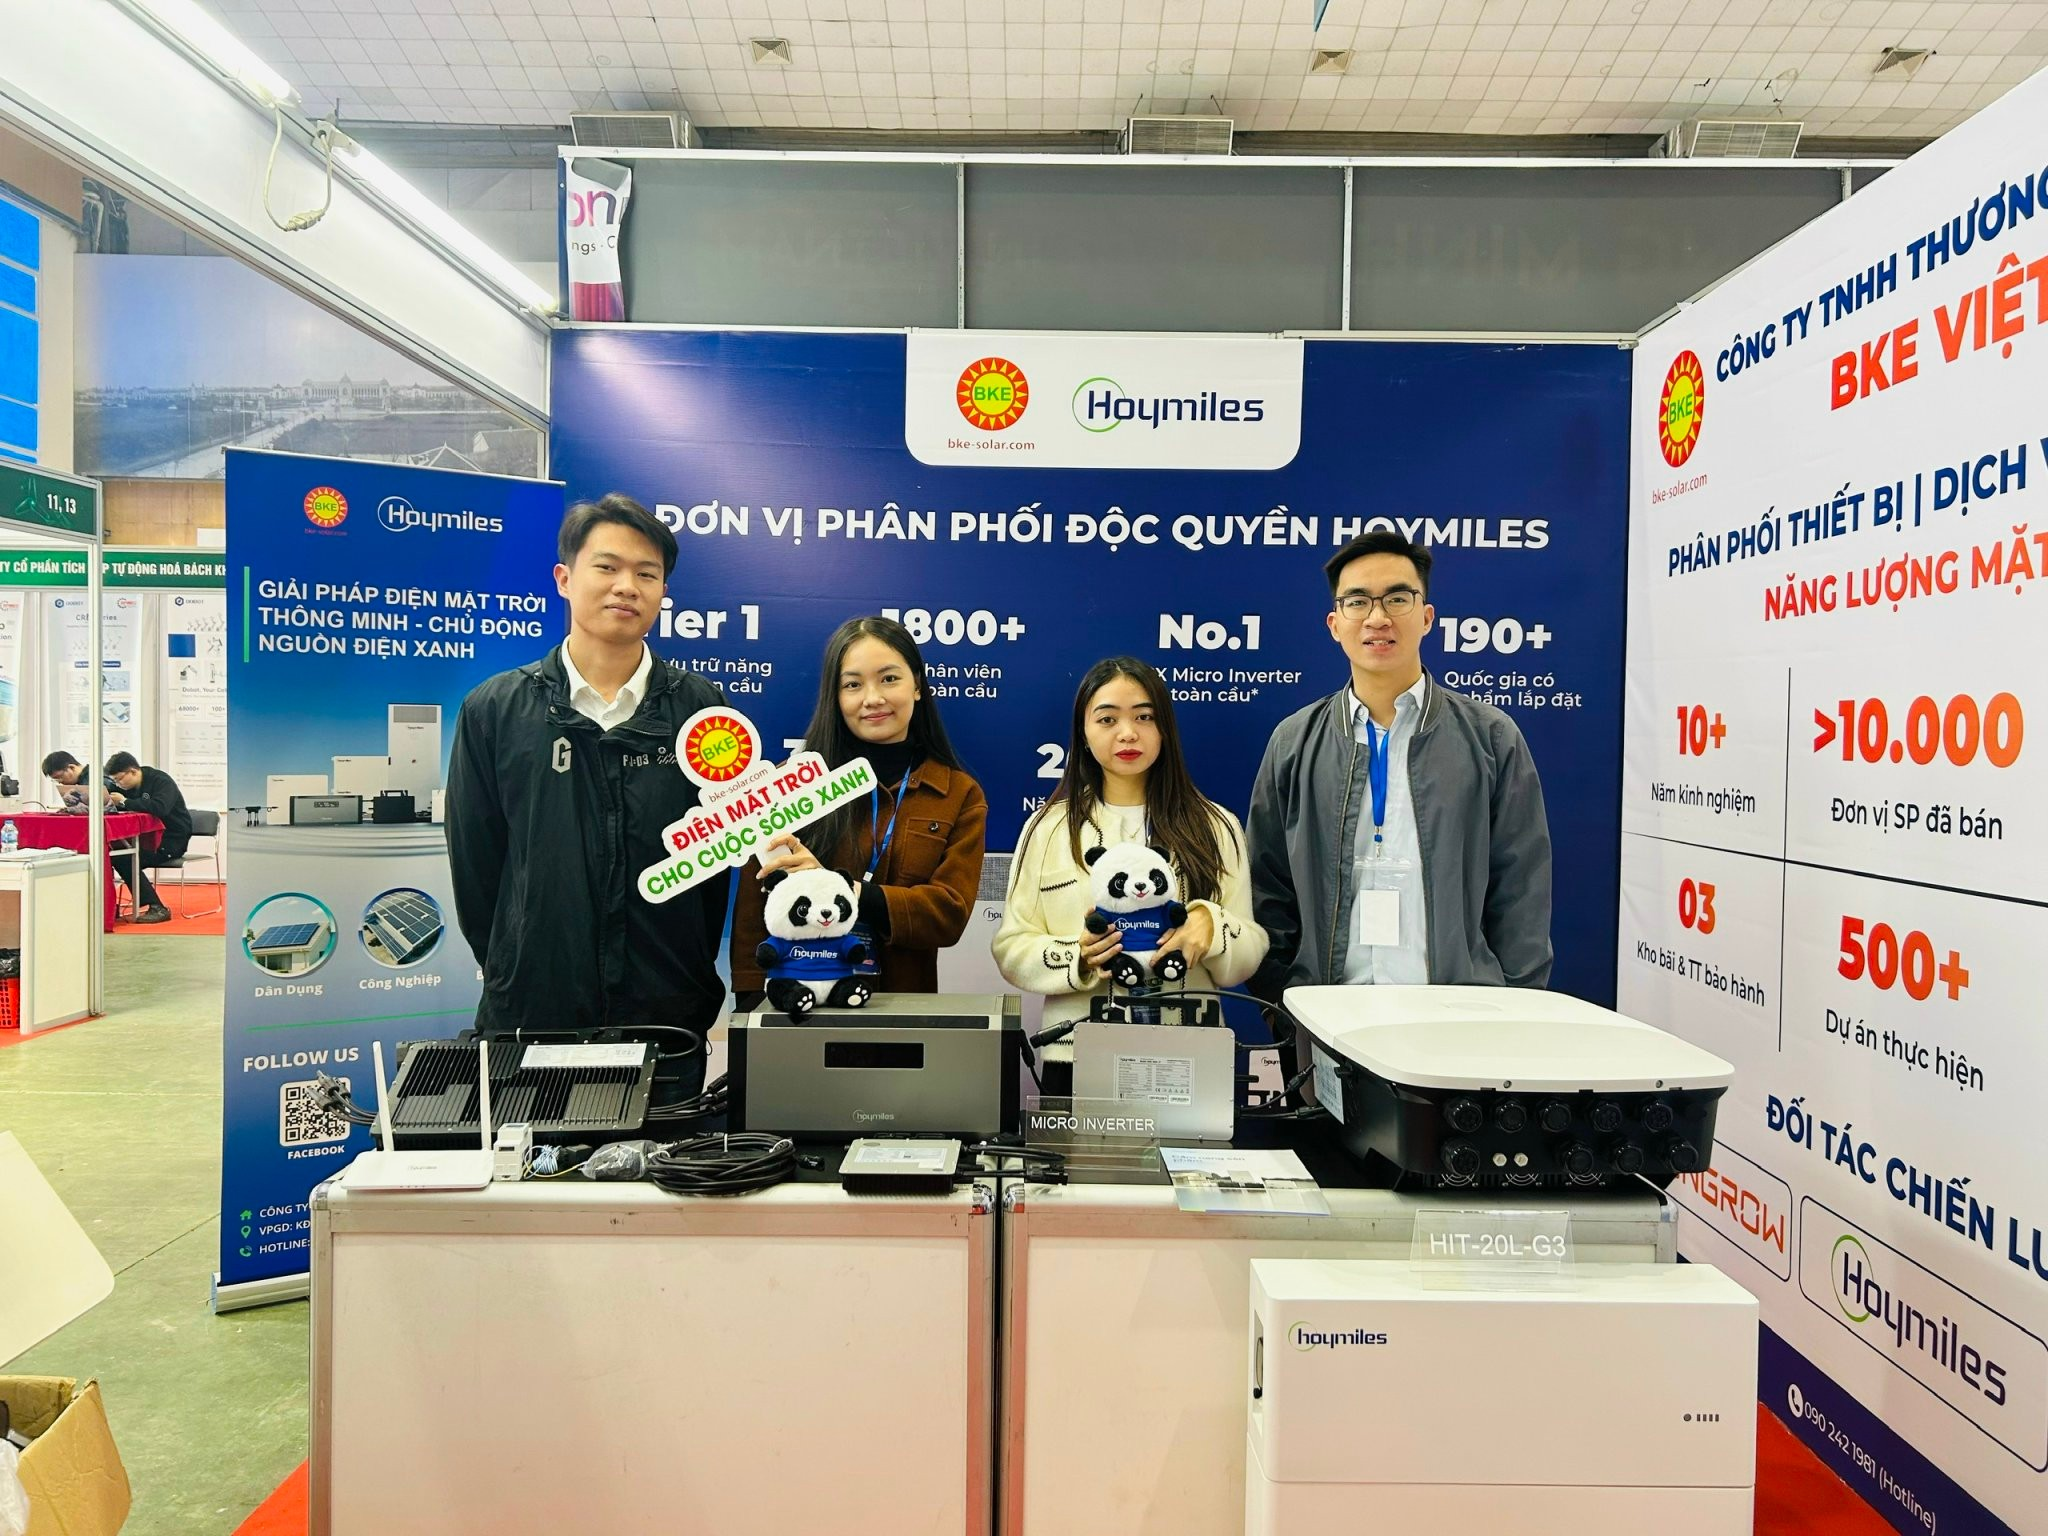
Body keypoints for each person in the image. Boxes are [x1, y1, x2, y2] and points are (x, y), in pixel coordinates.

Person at [445, 494, 730, 1087]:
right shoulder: (495, 709)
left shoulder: (703, 710)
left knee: (663, 1149)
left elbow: (711, 872)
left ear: (663, 591)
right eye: (607, 567)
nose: (627, 586)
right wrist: (515, 963)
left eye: (647, 573)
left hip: (665, 1015)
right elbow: (476, 867)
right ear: (564, 579)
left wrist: (683, 968)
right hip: (532, 1015)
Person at [1247, 531, 1552, 1007]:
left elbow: (1522, 886)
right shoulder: (1295, 740)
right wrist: (1285, 1005)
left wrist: (1512, 1005)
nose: (1377, 618)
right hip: (1328, 1013)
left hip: (1455, 1012)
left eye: (1397, 598)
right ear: (1334, 624)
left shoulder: (1490, 737)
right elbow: (1267, 885)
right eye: (1357, 602)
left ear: (1426, 617)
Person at [994, 656, 1267, 1032]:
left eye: (1144, 717)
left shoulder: (1215, 825)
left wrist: (1211, 927)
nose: (1127, 733)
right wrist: (1081, 954)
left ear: (1164, 729)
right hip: (1077, 1047)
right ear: (1083, 733)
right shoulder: (1047, 829)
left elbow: (1250, 954)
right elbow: (1011, 948)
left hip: (1190, 1046)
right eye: (1107, 719)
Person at [730, 615, 986, 999]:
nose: (872, 698)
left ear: (917, 685)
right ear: (835, 697)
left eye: (889, 679)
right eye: (852, 684)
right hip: (800, 1009)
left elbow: (948, 915)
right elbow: (753, 914)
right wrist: (752, 1006)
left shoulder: (958, 794)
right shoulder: (791, 786)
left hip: (904, 1012)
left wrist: (842, 890)